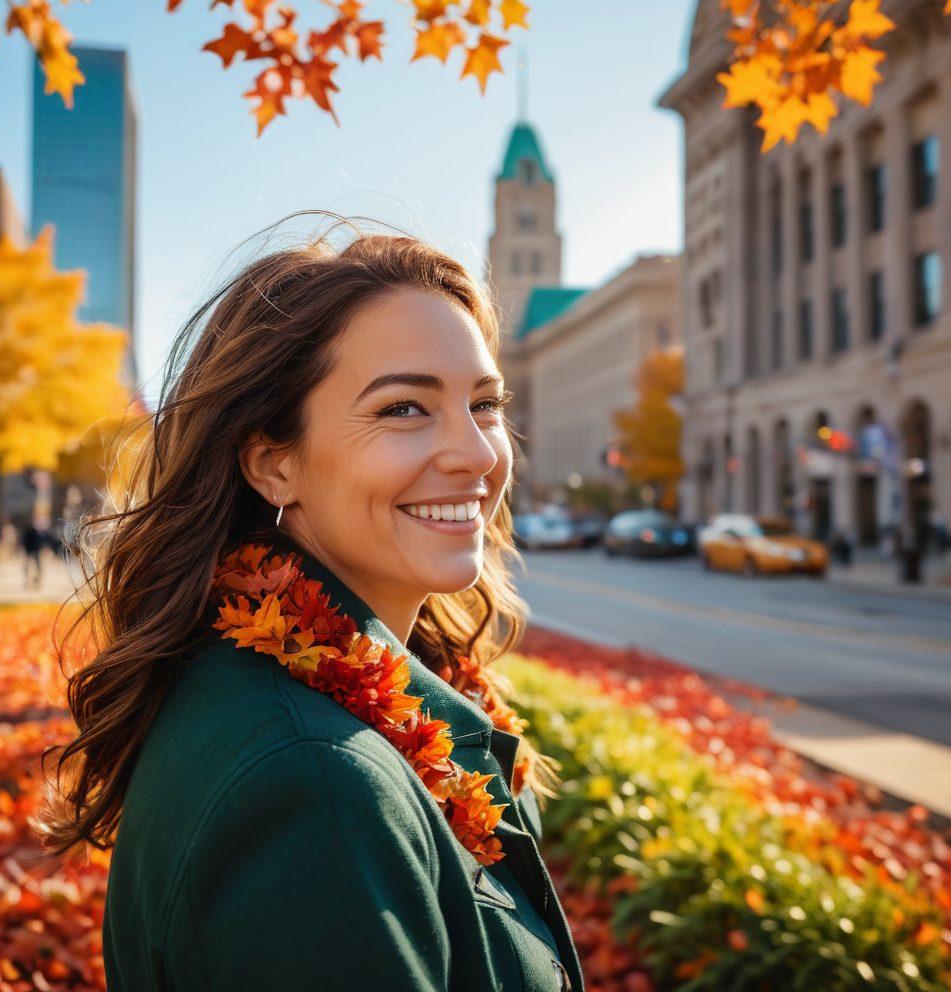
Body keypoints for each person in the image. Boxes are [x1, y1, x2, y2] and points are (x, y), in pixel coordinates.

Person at [32, 220, 584, 992]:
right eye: (404, 409)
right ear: (273, 463)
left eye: (484, 403)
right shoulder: (315, 785)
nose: (480, 453)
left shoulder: (282, 692)